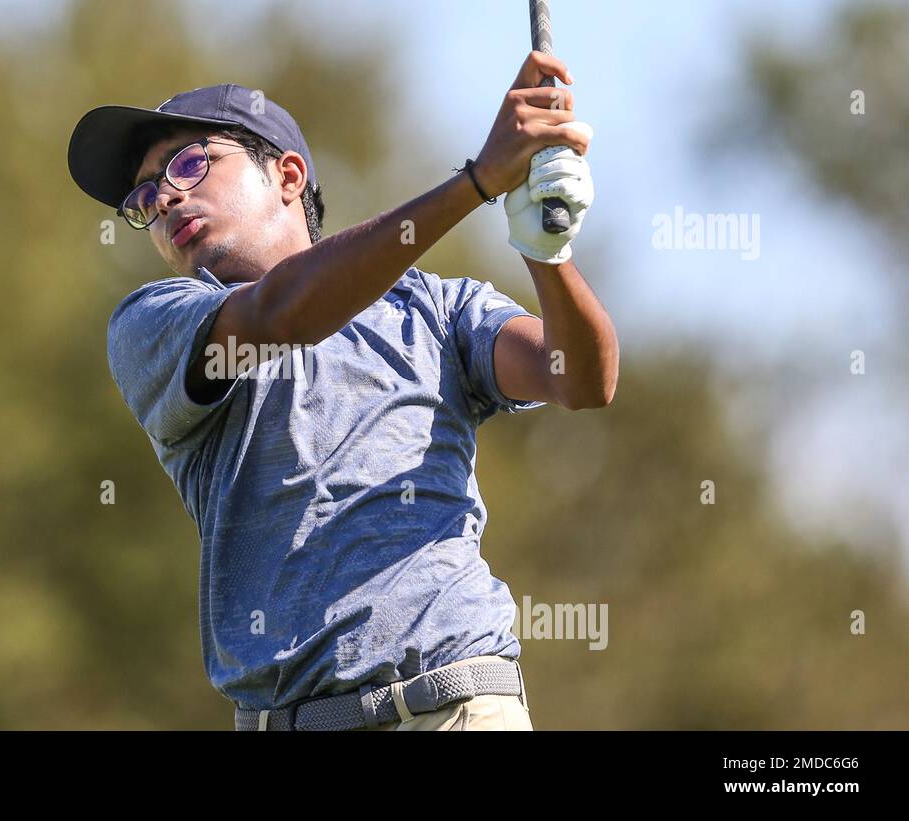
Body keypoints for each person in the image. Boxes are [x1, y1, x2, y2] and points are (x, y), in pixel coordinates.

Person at [67, 51, 618, 731]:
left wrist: (546, 248)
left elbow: (583, 379)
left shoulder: (438, 309)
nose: (167, 199)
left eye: (188, 164)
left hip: (457, 708)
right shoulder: (154, 325)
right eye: (145, 198)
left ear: (288, 175)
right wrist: (475, 182)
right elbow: (283, 314)